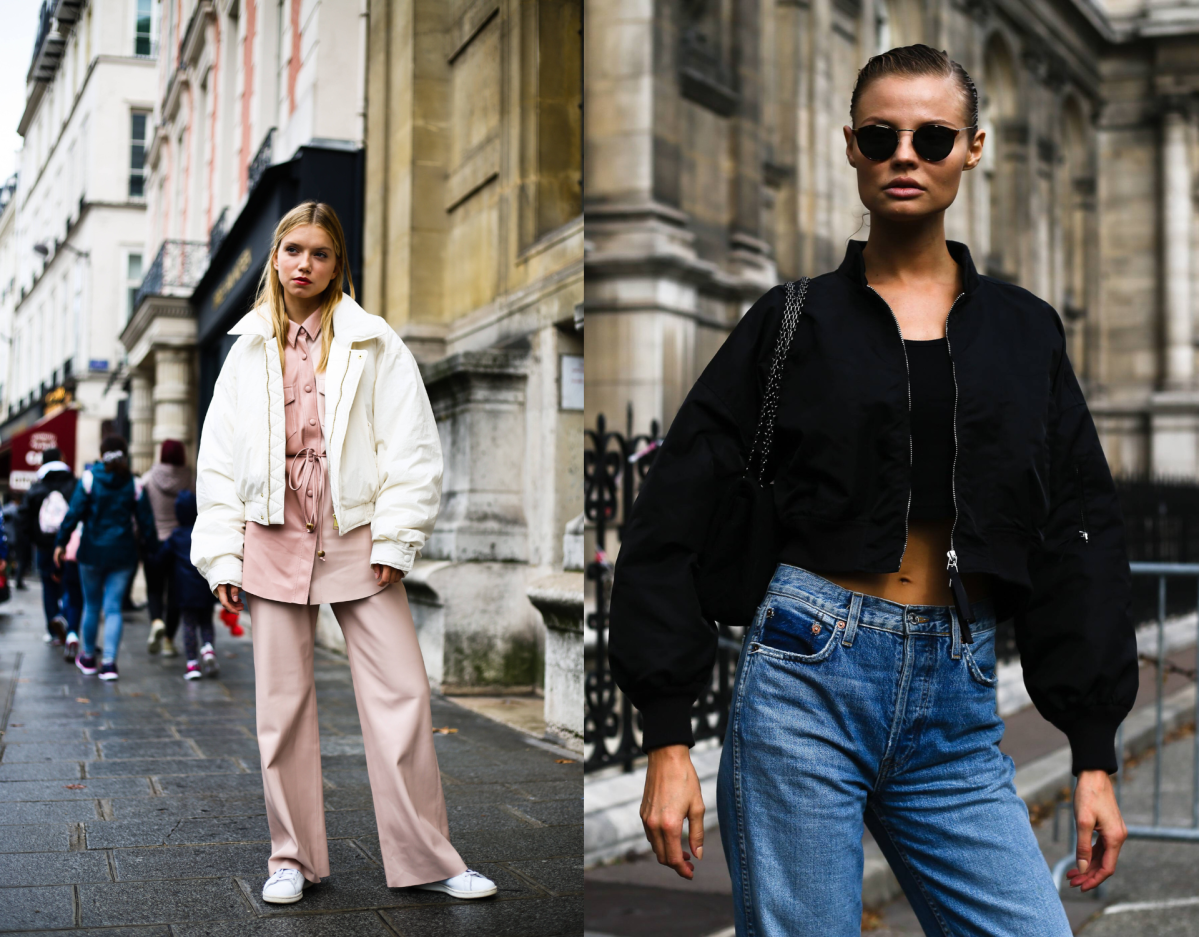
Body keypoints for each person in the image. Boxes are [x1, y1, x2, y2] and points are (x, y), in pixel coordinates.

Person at [608, 45, 1139, 937]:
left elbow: (1076, 531)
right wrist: (668, 736)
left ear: (973, 148)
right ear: (849, 147)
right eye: (880, 134)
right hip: (806, 675)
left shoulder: (1023, 331)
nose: (906, 153)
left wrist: (1091, 753)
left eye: (932, 137)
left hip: (957, 693)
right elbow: (672, 515)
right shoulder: (791, 320)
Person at [192, 200, 497, 906]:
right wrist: (222, 558)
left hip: (356, 535)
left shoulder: (373, 341)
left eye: (319, 252)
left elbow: (412, 447)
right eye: (292, 249)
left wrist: (396, 534)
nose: (303, 263)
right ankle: (290, 858)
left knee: (402, 694)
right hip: (268, 535)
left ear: (338, 265)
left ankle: (428, 854)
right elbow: (218, 462)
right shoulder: (244, 351)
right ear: (274, 258)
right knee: (282, 706)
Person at [53, 437, 158, 681]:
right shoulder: (133, 483)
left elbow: (73, 514)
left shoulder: (89, 480)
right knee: (113, 609)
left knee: (91, 606)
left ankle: (88, 657)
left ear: (102, 454)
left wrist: (61, 542)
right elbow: (146, 521)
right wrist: (152, 549)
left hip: (91, 552)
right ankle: (109, 664)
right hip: (123, 554)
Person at [154, 489, 218, 680]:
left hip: (185, 591)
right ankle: (208, 649)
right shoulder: (205, 532)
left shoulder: (176, 536)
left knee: (189, 624)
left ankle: (192, 664)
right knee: (206, 622)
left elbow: (161, 558)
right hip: (205, 588)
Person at [140, 439, 193, 658]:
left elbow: (140, 512)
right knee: (175, 593)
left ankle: (156, 621)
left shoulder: (148, 479)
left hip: (154, 543)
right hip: (180, 543)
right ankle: (169, 641)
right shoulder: (191, 479)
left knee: (154, 588)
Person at [20, 447, 76, 645]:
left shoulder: (37, 487)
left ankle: (53, 630)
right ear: (61, 459)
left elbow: (24, 518)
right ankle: (66, 619)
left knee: (48, 585)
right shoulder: (73, 483)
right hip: (69, 545)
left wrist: (32, 540)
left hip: (44, 546)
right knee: (69, 584)